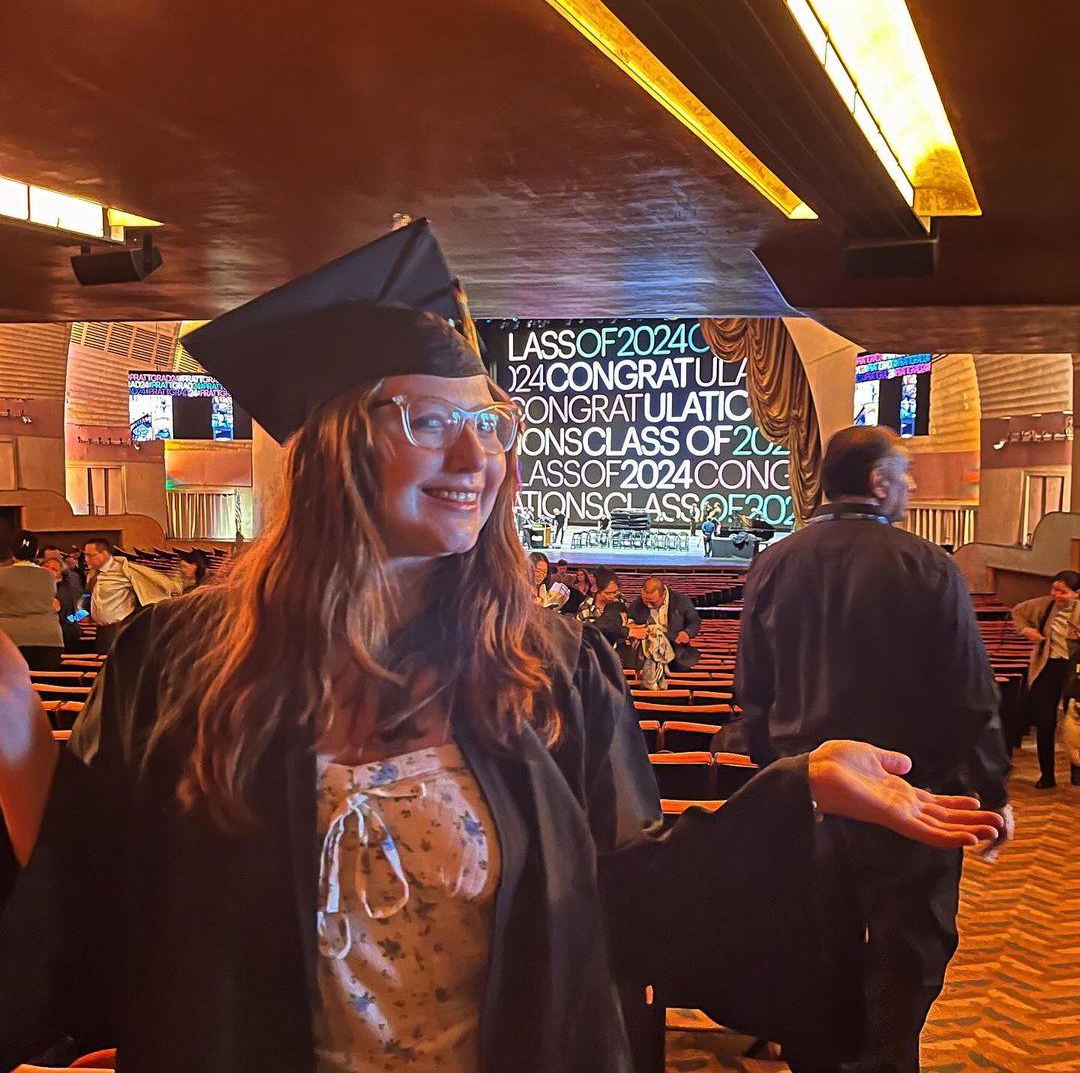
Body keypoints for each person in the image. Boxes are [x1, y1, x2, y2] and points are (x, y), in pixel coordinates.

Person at [0, 234, 1003, 1073]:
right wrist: (12, 738)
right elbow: (97, 916)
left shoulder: (550, 668)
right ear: (336, 445)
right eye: (432, 422)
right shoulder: (175, 665)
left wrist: (803, 788)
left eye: (491, 423)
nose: (481, 460)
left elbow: (624, 902)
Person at [736, 425, 1012, 1073]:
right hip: (910, 808)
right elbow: (972, 700)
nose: (911, 488)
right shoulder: (928, 565)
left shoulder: (773, 562)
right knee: (907, 963)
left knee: (812, 958)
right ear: (878, 483)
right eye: (906, 476)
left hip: (807, 802)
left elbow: (752, 697)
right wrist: (992, 795)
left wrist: (774, 784)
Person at [1011, 570, 1080, 788]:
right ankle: (1047, 774)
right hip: (1048, 666)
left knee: (1075, 723)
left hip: (1074, 670)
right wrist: (1027, 631)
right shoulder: (1044, 606)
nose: (1057, 595)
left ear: (1076, 594)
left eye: (1064, 592)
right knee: (1045, 721)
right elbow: (1018, 612)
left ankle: (1076, 773)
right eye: (1055, 590)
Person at [83, 537, 180, 652]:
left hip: (119, 629)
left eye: (90, 555)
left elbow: (159, 584)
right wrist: (78, 616)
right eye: (85, 555)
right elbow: (87, 598)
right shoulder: (92, 574)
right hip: (101, 631)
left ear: (103, 554)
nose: (86, 559)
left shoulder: (125, 570)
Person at [0, 531, 64, 671]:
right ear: (36, 552)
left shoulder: (1, 575)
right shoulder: (49, 576)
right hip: (48, 637)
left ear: (12, 552)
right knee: (46, 685)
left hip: (10, 638)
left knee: (11, 688)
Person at [629, 576, 702, 672]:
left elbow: (694, 621)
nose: (649, 605)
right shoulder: (636, 604)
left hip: (677, 650)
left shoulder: (682, 601)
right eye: (645, 601)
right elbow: (629, 622)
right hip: (647, 652)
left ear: (663, 595)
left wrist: (687, 633)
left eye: (653, 602)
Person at [40, 557, 84, 653]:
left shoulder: (64, 592)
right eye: (45, 566)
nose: (47, 570)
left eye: (54, 569)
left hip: (62, 634)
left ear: (60, 577)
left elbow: (78, 615)